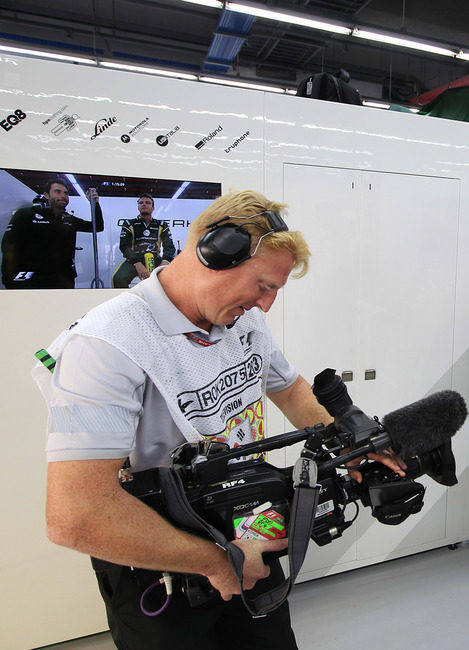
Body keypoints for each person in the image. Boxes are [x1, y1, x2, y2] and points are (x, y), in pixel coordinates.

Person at [39, 190, 404, 649]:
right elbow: (77, 515)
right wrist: (217, 561)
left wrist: (347, 448)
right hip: (165, 570)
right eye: (263, 286)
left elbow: (289, 388)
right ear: (213, 254)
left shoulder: (241, 320)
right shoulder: (106, 344)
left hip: (250, 537)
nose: (267, 305)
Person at [1, 178, 104, 289]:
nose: (63, 196)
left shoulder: (68, 220)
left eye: (66, 193)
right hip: (33, 281)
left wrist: (94, 204)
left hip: (63, 279)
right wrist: (9, 281)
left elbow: (97, 227)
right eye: (57, 192)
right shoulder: (26, 215)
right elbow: (9, 248)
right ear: (46, 195)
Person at [112, 193, 176, 288]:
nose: (144, 204)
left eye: (147, 203)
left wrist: (164, 263)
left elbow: (169, 247)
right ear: (138, 207)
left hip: (156, 260)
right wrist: (137, 263)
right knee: (118, 278)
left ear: (153, 208)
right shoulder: (129, 223)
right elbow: (124, 246)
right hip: (134, 260)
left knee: (174, 278)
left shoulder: (161, 224)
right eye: (141, 203)